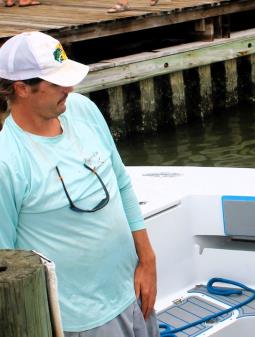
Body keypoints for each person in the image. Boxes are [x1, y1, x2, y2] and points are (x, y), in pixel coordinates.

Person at [0, 31, 159, 337]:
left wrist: (148, 260)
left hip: (134, 293)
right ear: (21, 88)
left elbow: (121, 182)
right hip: (78, 322)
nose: (70, 88)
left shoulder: (82, 109)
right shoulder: (7, 161)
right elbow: (6, 259)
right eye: (56, 83)